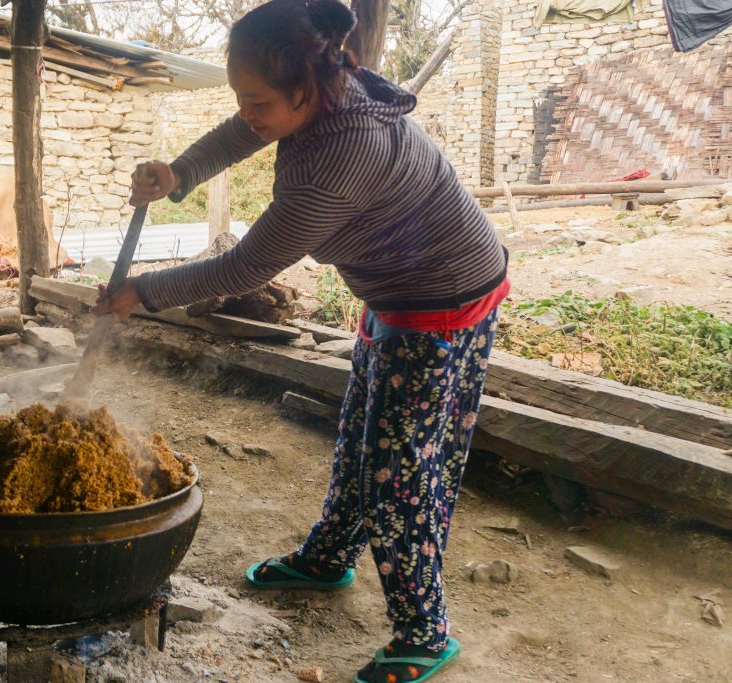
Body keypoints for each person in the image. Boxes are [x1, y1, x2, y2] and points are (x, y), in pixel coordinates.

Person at [93, 1, 509, 680]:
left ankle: (424, 631)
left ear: (305, 90)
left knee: (399, 477)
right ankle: (329, 558)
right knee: (359, 440)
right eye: (240, 96)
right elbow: (245, 128)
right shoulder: (322, 88)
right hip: (398, 290)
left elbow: (248, 265)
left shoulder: (339, 155)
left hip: (442, 300)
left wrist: (145, 292)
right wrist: (181, 174)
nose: (247, 111)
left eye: (257, 99)